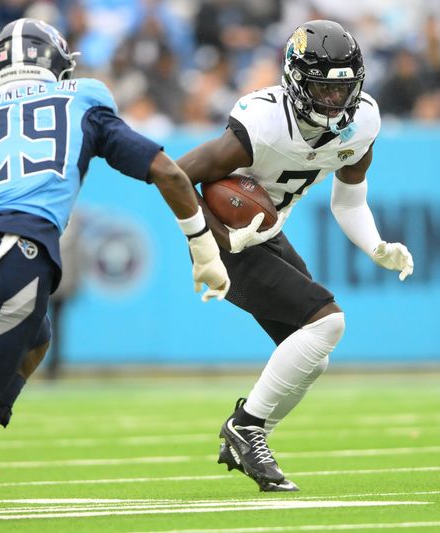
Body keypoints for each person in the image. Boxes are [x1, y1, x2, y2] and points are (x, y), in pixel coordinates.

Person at [0, 18, 229, 519]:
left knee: (37, 336)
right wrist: (204, 247)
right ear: (56, 64)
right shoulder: (82, 100)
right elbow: (169, 173)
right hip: (19, 255)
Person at [176, 20, 413, 492]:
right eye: (323, 88)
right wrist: (210, 240)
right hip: (230, 241)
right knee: (328, 322)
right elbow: (177, 176)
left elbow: (349, 201)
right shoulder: (261, 124)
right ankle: (246, 427)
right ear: (296, 81)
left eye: (343, 89)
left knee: (312, 353)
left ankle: (249, 434)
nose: (334, 101)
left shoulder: (362, 121)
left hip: (265, 232)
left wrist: (375, 245)